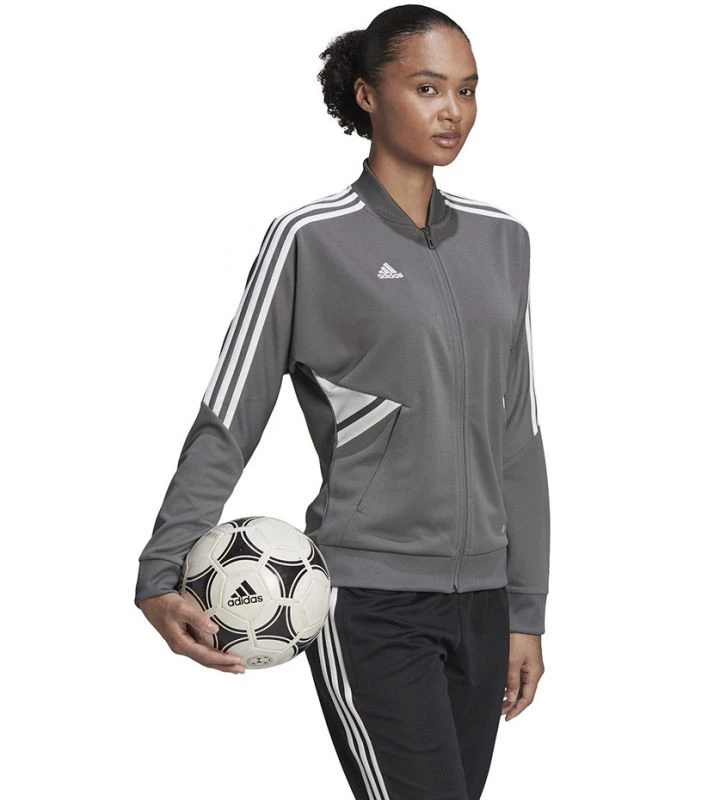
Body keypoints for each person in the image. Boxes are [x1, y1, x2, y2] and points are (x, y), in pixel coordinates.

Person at [135, 5, 550, 799]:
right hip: (369, 602)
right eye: (427, 87)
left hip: (485, 603)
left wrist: (525, 607)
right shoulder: (310, 239)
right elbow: (230, 416)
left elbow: (517, 435)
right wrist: (162, 568)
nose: (453, 111)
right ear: (366, 94)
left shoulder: (505, 241)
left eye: (467, 90)